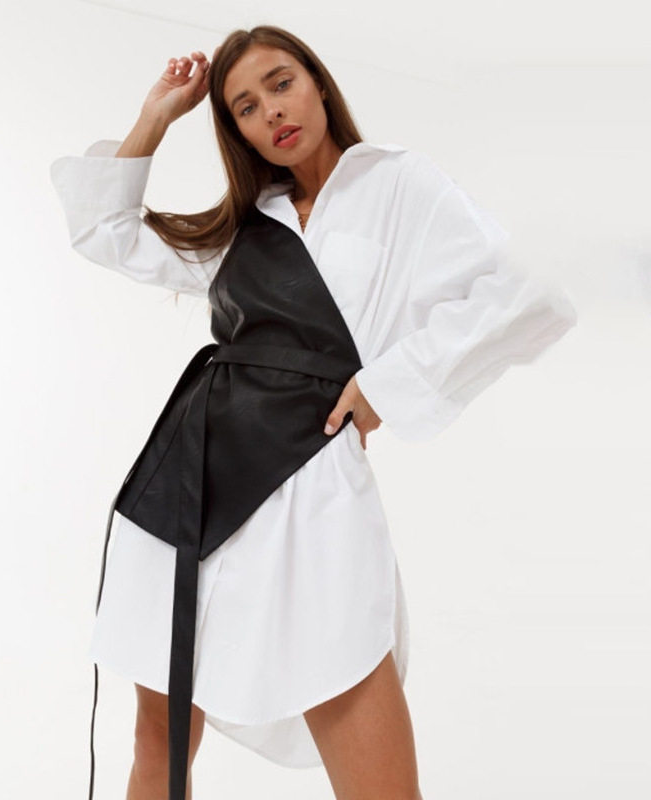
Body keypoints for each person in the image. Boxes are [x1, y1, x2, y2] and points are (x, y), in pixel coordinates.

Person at [49, 25, 577, 800]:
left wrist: (390, 384)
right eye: (244, 106)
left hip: (311, 494)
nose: (272, 110)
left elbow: (530, 290)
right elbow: (105, 232)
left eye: (281, 83)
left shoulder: (397, 184)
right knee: (159, 742)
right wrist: (158, 114)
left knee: (368, 745)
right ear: (237, 132)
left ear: (318, 83)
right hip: (188, 488)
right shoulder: (243, 227)